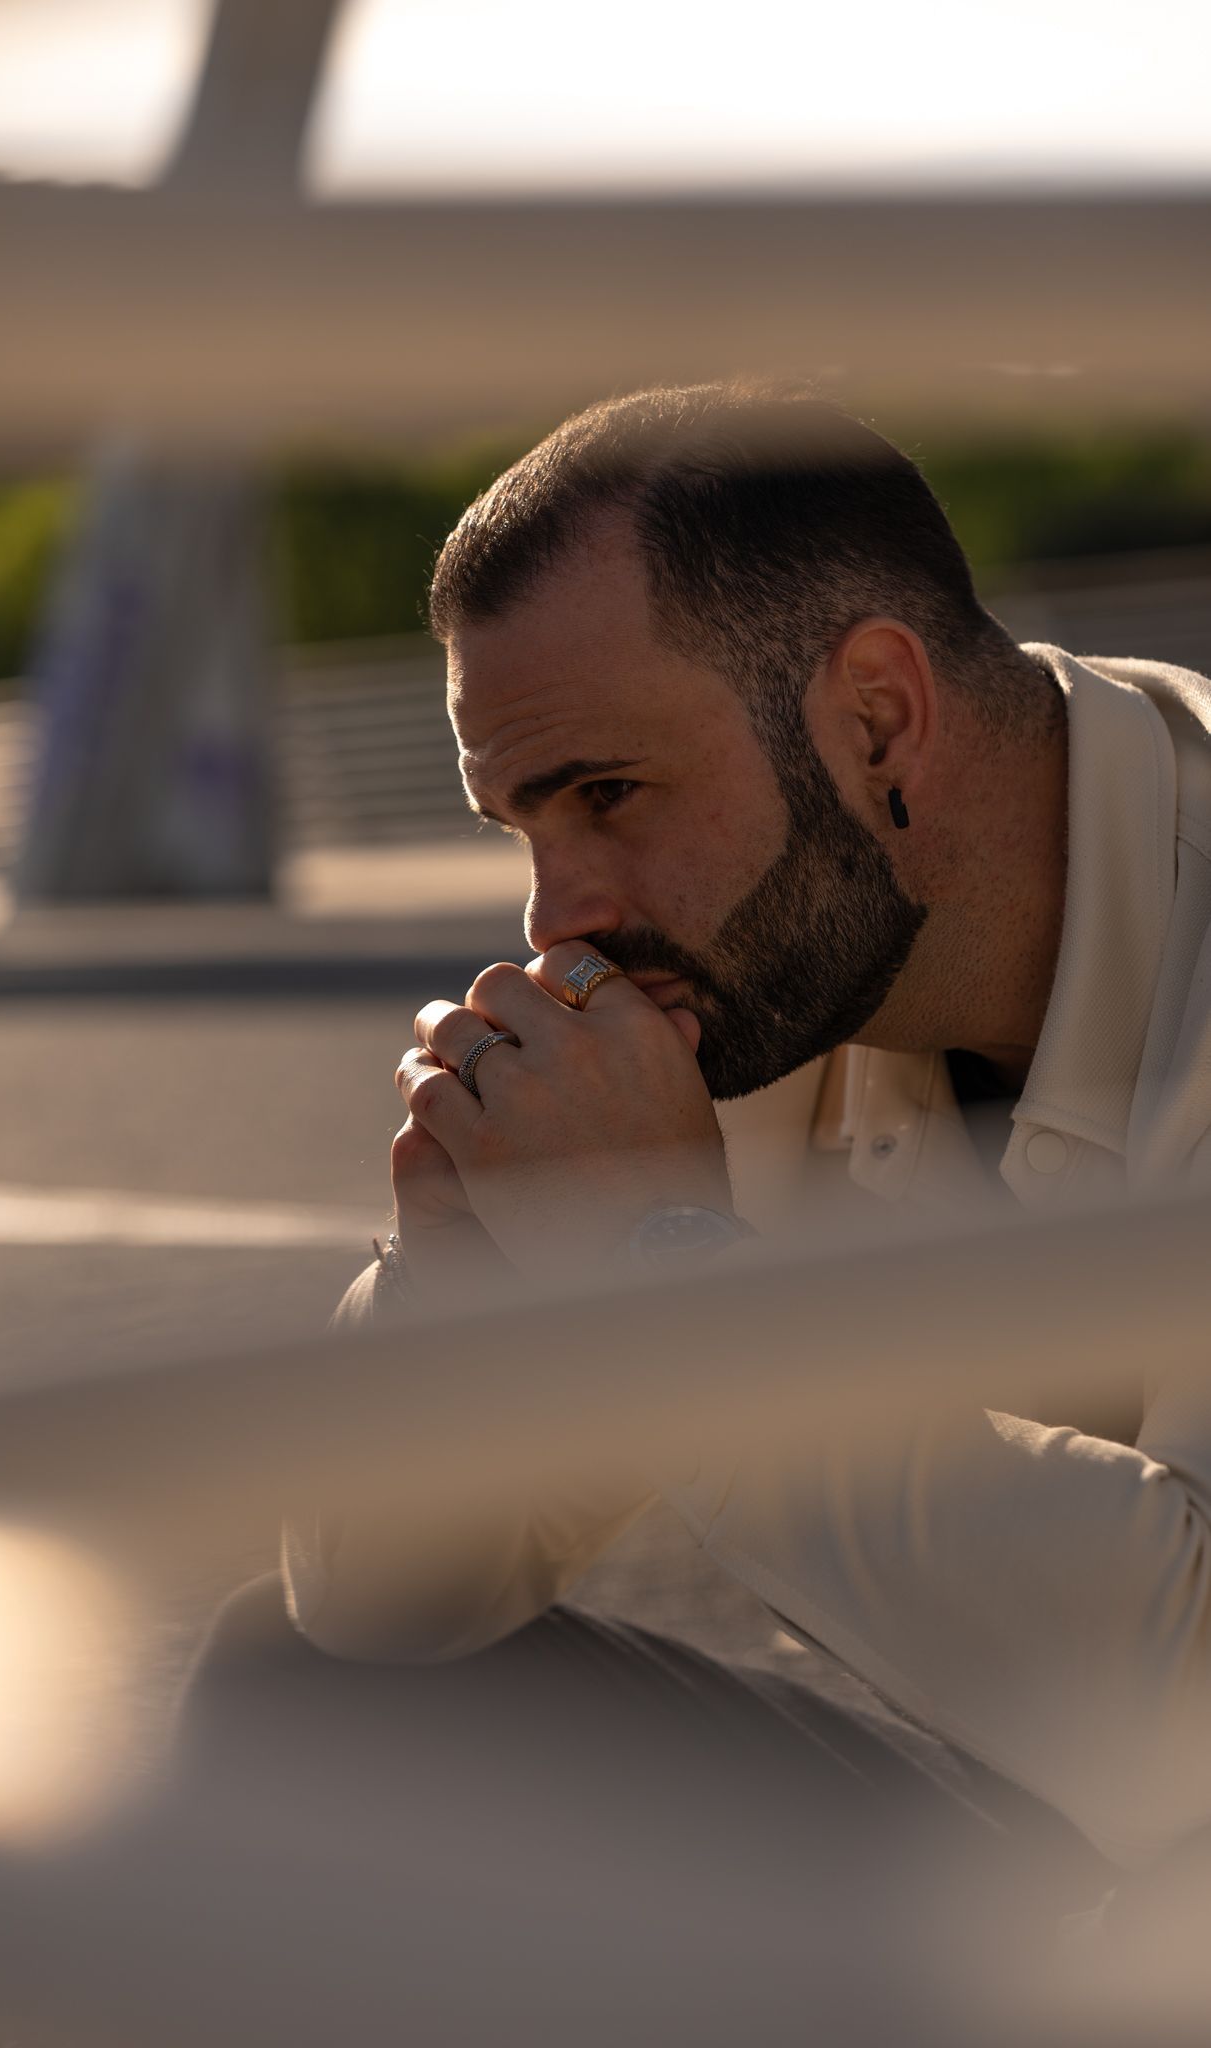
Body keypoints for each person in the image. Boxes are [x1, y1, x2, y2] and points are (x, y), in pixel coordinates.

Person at [181, 384, 1211, 2020]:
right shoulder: (761, 969)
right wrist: (473, 1291)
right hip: (1067, 1875)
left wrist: (669, 1291)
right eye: (523, 825)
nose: (560, 917)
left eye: (609, 795)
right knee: (309, 1698)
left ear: (878, 720)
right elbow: (375, 1610)